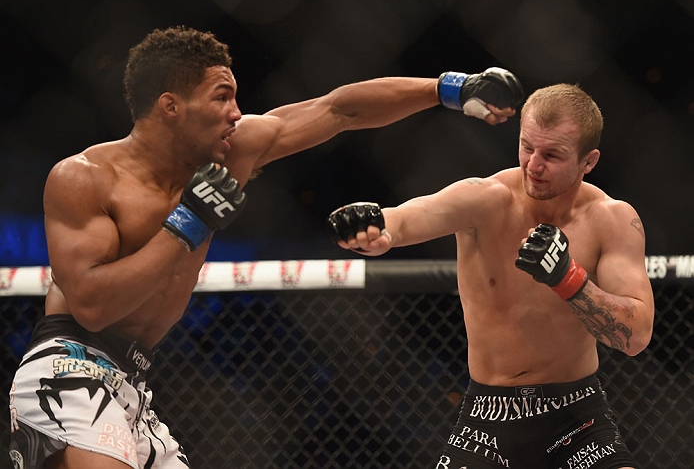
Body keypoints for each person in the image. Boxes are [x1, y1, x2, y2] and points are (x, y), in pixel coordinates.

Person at [7, 25, 523, 469]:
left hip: (135, 381)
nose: (236, 113)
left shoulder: (232, 152)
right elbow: (93, 308)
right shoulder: (85, 178)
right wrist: (188, 223)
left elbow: (339, 109)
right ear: (170, 106)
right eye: (221, 97)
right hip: (69, 365)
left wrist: (449, 88)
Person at [327, 83, 654, 469]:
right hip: (487, 421)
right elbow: (410, 216)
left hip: (577, 416)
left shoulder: (612, 220)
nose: (533, 165)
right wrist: (376, 226)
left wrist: (568, 278)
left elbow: (636, 337)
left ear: (589, 161)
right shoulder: (486, 199)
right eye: (527, 147)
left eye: (552, 155)